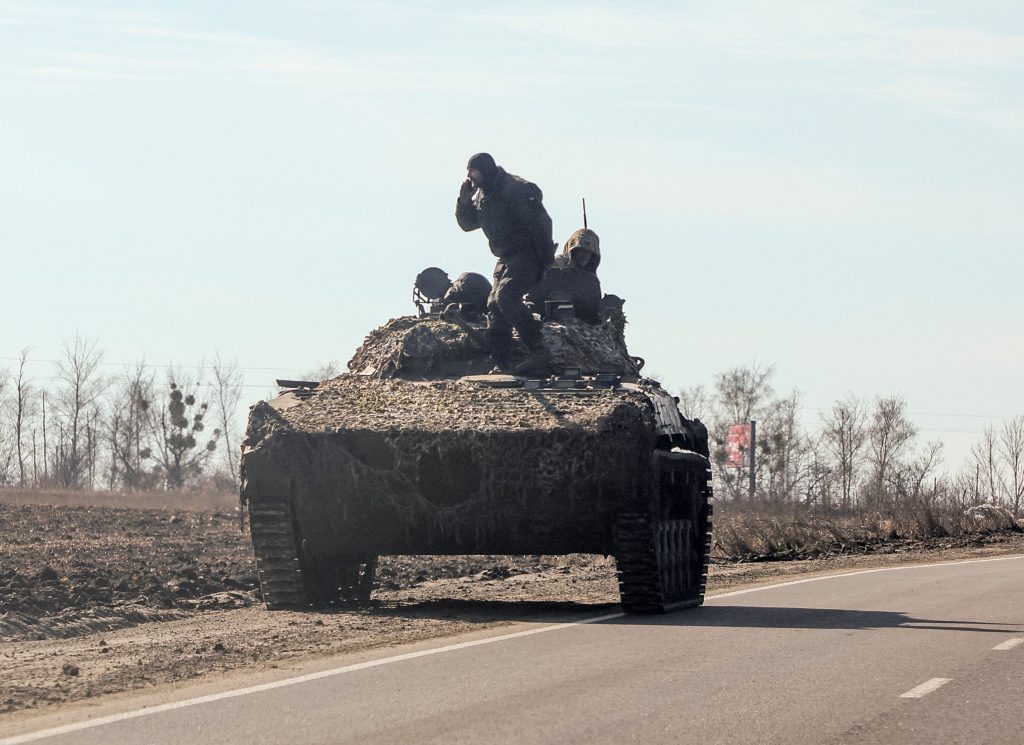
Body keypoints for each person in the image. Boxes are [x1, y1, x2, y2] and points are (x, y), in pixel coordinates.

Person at [455, 153, 556, 374]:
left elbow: (541, 224)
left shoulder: (516, 189)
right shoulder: (483, 194)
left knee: (506, 296)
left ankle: (539, 351)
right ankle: (502, 361)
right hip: (506, 257)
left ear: (484, 169)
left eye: (472, 171)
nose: (468, 176)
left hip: (529, 253)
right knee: (494, 304)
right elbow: (468, 224)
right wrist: (464, 202)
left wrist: (546, 260)